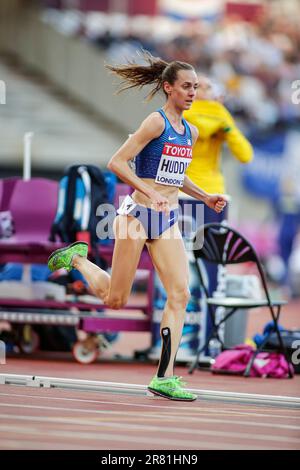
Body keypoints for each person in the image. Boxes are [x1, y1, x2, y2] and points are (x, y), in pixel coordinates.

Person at [47, 52, 227, 402]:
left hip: (166, 218)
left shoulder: (190, 130)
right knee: (116, 299)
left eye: (196, 87)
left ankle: (164, 376)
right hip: (135, 217)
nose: (192, 93)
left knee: (180, 294)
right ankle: (79, 260)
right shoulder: (155, 123)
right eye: (186, 87)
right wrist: (148, 192)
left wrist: (204, 197)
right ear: (168, 87)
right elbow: (117, 162)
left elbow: (175, 176)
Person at [183, 75, 253, 195]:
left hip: (190, 188)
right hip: (199, 188)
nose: (204, 89)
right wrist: (226, 127)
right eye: (198, 86)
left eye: (209, 87)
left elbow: (246, 156)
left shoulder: (181, 112)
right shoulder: (221, 115)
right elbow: (246, 156)